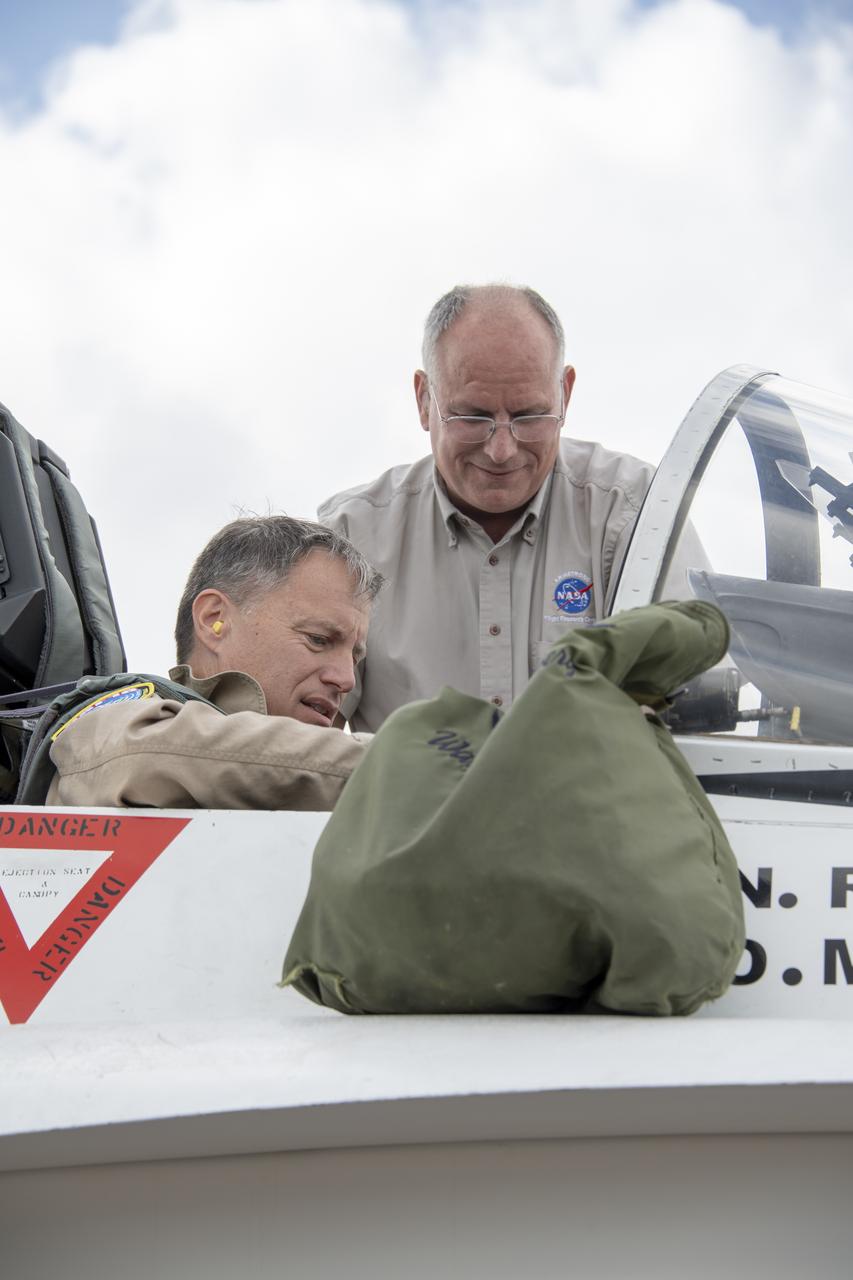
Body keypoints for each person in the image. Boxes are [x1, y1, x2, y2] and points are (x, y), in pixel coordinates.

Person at [319, 283, 655, 732]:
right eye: (472, 417)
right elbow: (290, 734)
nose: (501, 449)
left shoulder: (634, 514)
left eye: (529, 416)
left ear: (566, 395)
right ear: (424, 400)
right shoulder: (351, 536)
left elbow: (696, 708)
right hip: (411, 805)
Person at [43, 516, 382, 809]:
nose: (346, 679)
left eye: (355, 656)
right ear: (214, 619)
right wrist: (414, 767)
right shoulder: (114, 722)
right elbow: (147, 754)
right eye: (318, 639)